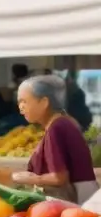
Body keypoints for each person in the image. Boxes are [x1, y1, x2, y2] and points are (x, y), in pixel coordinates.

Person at [12, 75, 98, 203]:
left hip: (79, 198)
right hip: (84, 193)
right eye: (19, 102)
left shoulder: (56, 128)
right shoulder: (63, 121)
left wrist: (30, 178)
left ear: (44, 102)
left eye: (24, 101)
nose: (21, 107)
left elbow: (59, 178)